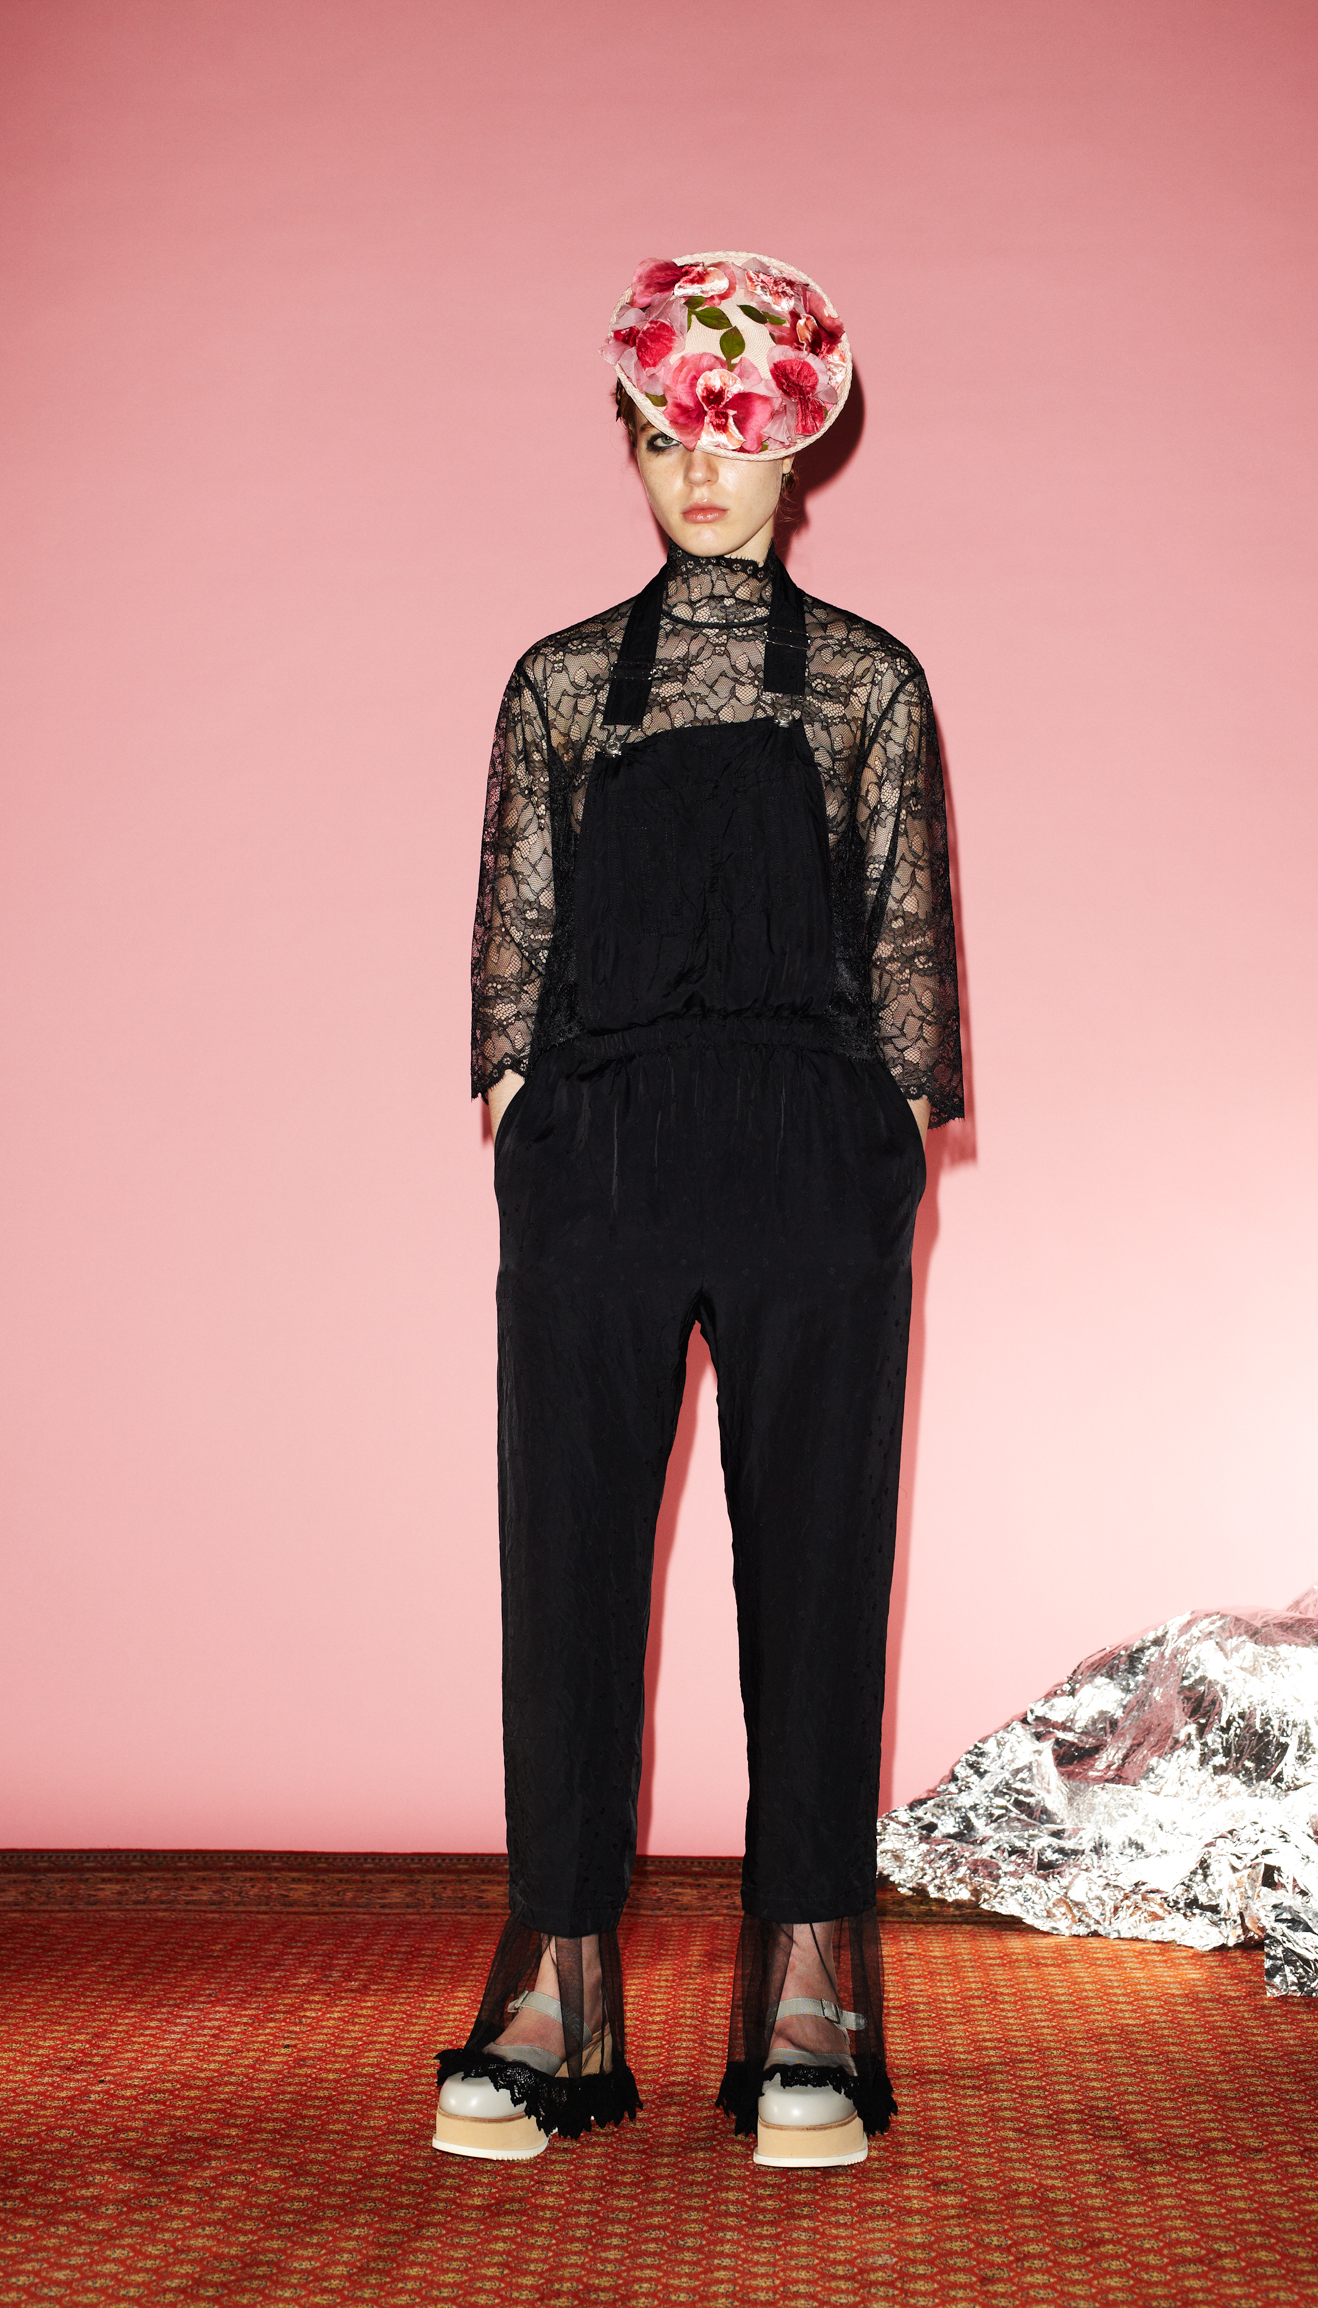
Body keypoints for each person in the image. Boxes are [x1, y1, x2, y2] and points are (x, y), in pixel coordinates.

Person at [434, 253, 963, 2170]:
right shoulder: (564, 682)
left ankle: (810, 1987)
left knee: (816, 1565)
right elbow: (511, 951)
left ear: (798, 448)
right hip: (602, 1160)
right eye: (670, 435)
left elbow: (909, 959)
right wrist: (527, 1111)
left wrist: (885, 1134)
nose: (703, 470)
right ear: (637, 442)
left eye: (737, 435)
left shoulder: (872, 682)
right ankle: (556, 1991)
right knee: (564, 1561)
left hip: (813, 1159)